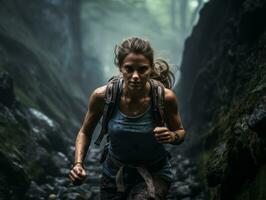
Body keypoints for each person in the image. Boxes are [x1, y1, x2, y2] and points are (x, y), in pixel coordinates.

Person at [69, 37, 186, 200]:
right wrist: (78, 164)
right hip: (114, 174)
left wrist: (172, 136)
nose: (135, 76)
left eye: (143, 69)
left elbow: (180, 132)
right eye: (129, 69)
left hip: (154, 173)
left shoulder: (165, 98)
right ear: (120, 68)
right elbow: (85, 132)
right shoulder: (102, 96)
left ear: (151, 68)